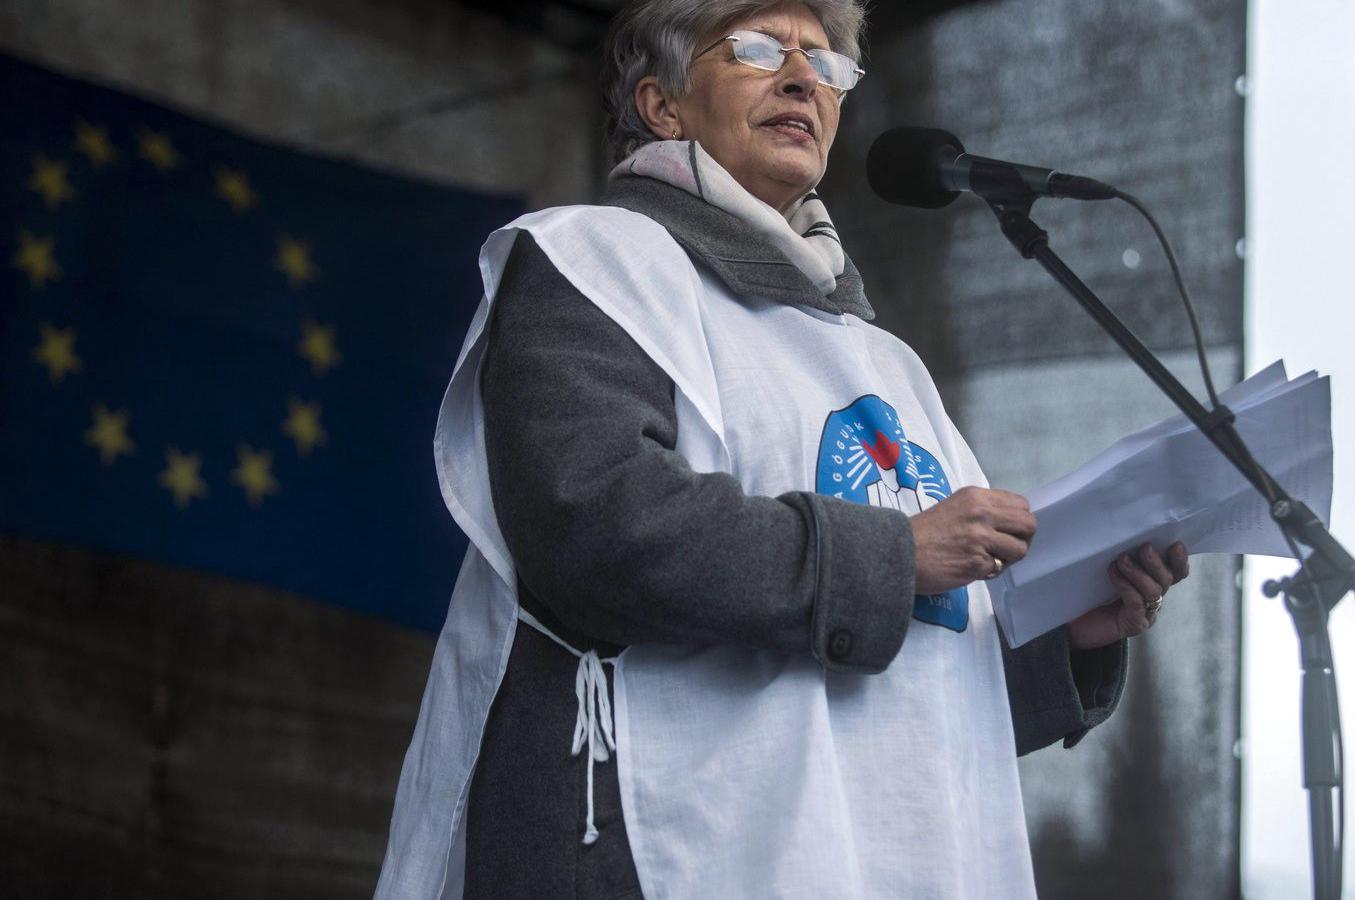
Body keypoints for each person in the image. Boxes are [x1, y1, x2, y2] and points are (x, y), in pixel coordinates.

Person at [376, 2, 1189, 898]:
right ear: (663, 106)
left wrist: (1066, 639)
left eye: (828, 64)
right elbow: (591, 525)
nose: (805, 78)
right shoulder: (592, 260)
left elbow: (928, 671)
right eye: (760, 50)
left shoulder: (890, 367)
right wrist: (895, 555)